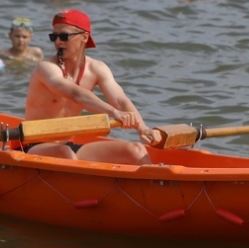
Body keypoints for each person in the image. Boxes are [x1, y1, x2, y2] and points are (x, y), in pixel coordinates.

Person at [23, 9, 157, 165]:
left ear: (84, 37)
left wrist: (143, 129)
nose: (58, 41)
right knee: (64, 154)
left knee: (136, 150)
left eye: (64, 36)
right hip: (32, 146)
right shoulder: (46, 68)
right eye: (54, 36)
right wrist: (113, 113)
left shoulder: (97, 68)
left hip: (67, 146)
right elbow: (76, 94)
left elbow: (120, 100)